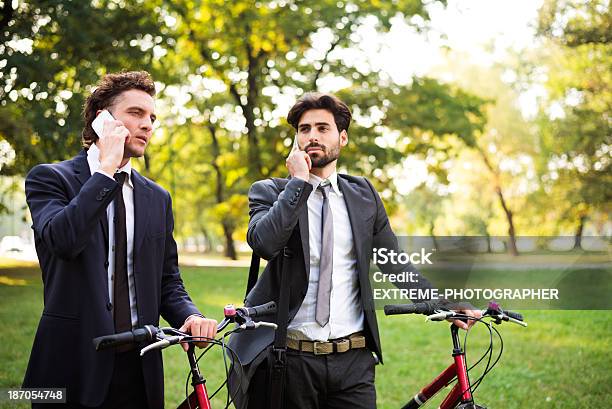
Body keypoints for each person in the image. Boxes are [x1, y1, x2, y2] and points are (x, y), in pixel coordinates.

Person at [229, 92, 480, 408]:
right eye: (304, 130)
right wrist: (298, 183)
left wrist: (444, 303)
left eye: (323, 128)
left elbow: (396, 265)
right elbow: (265, 243)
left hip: (353, 363)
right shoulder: (271, 191)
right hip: (288, 360)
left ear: (342, 137)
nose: (312, 136)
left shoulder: (364, 196)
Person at [23, 71, 218, 409]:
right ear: (103, 120)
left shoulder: (158, 198)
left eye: (152, 117)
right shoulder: (49, 178)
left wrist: (189, 315)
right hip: (70, 365)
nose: (148, 125)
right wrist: (104, 173)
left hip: (139, 368)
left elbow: (167, 280)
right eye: (136, 113)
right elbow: (64, 240)